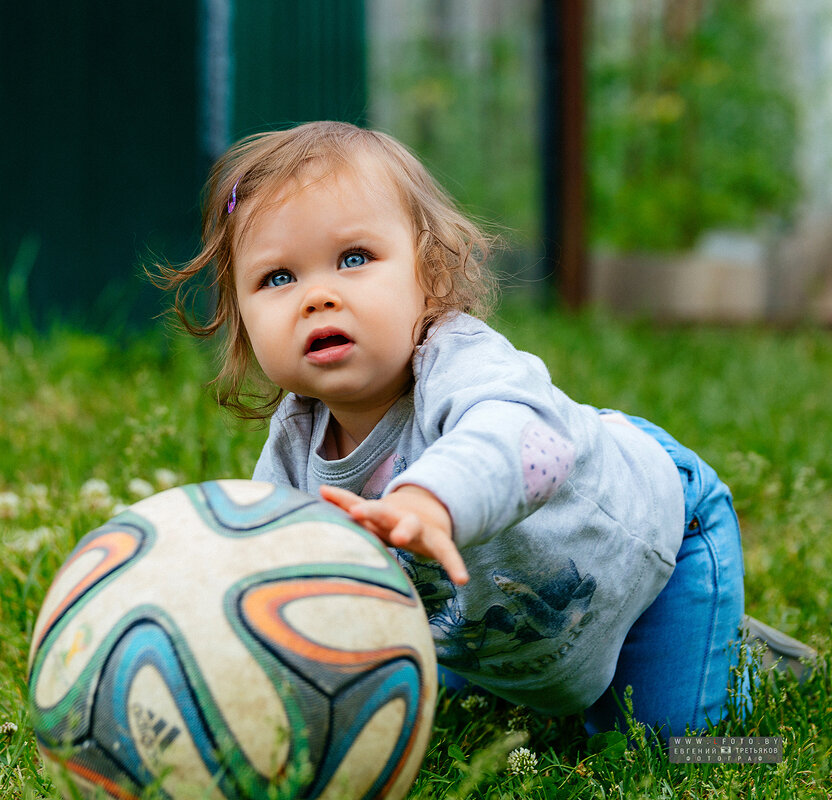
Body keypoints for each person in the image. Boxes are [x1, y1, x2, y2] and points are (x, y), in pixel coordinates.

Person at [155, 120, 814, 737]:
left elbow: (517, 444)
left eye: (354, 258)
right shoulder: (295, 445)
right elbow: (276, 575)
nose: (317, 295)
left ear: (430, 276)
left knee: (668, 747)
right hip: (513, 612)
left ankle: (739, 660)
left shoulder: (465, 363)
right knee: (493, 707)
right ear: (241, 319)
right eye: (277, 277)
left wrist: (428, 500)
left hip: (657, 545)